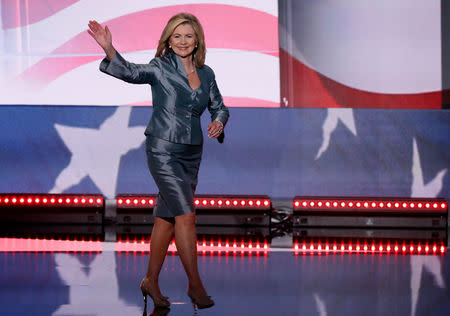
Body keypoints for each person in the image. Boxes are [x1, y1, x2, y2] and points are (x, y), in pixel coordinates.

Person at [88, 13, 229, 310]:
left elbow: (219, 107)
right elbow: (129, 72)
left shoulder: (207, 73)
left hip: (192, 153)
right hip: (163, 148)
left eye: (188, 36)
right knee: (186, 215)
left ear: (197, 40)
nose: (182, 41)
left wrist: (218, 121)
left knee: (167, 217)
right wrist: (109, 50)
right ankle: (196, 285)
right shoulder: (160, 68)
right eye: (176, 36)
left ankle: (150, 280)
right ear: (167, 39)